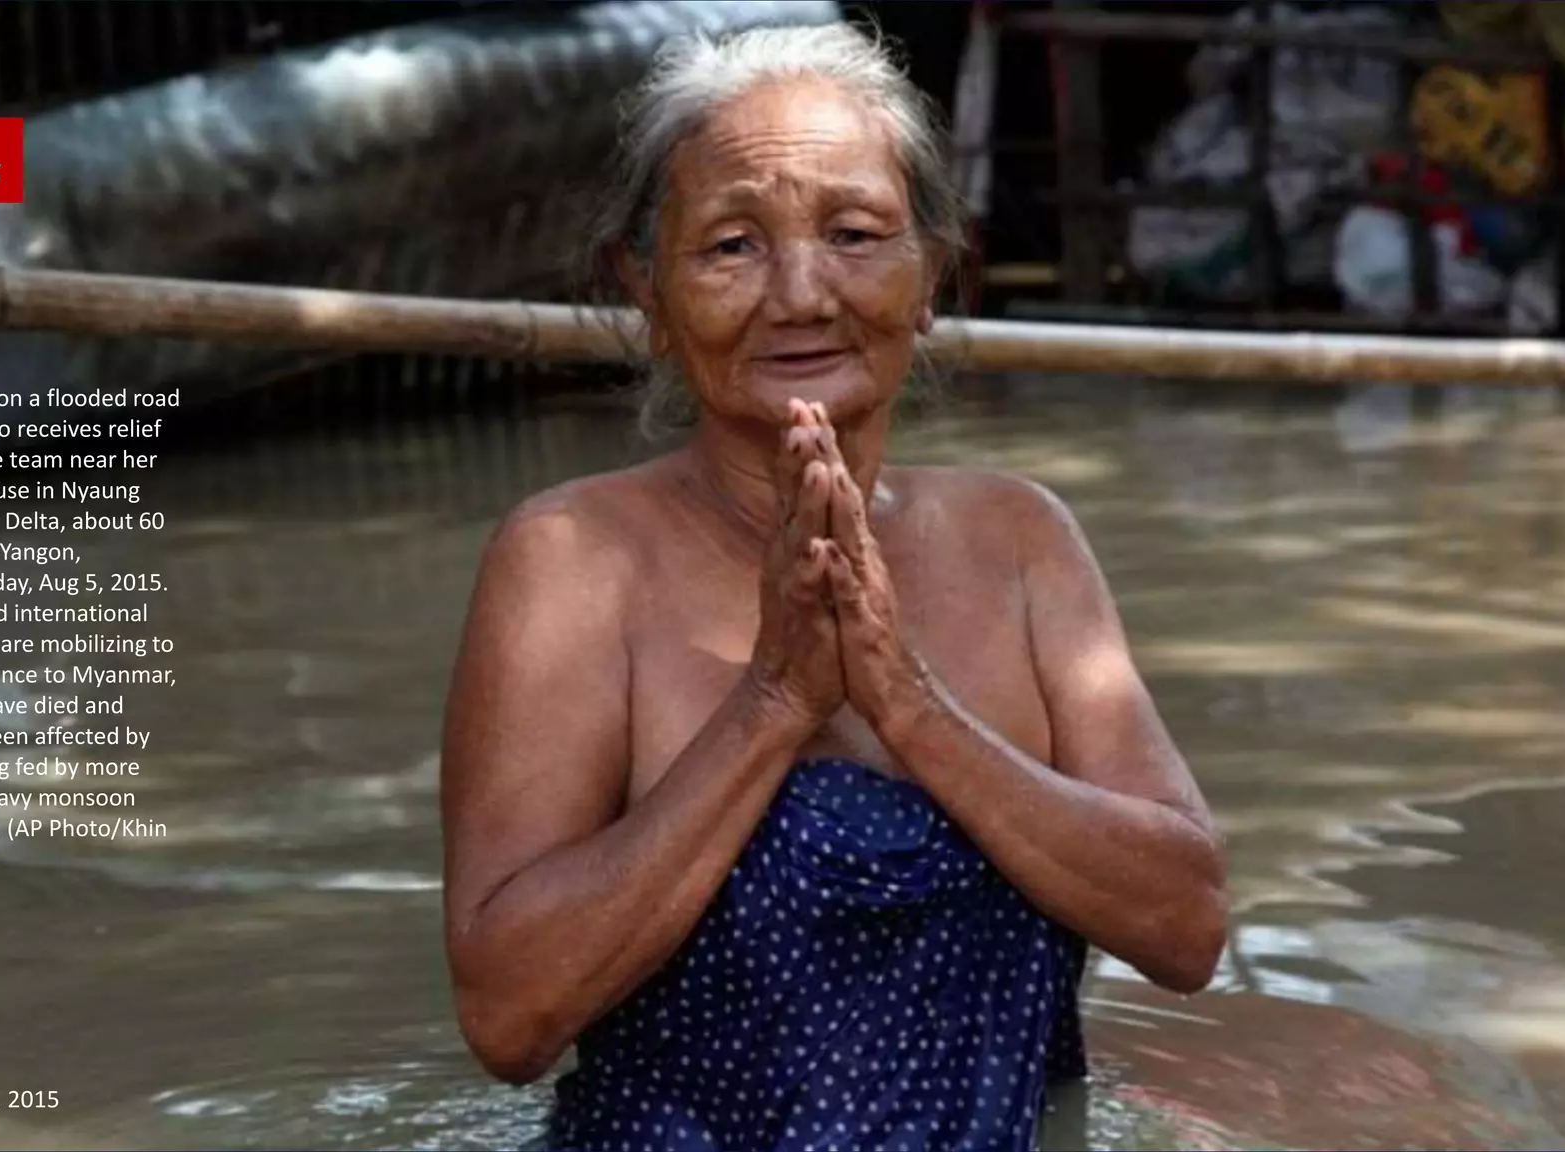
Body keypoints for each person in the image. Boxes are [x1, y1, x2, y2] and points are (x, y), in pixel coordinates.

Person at [441, 20, 1226, 1151]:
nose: (802, 294)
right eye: (729, 246)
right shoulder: (570, 560)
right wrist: (771, 704)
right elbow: (506, 1017)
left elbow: (1186, 927)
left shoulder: (1019, 540)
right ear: (646, 290)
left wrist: (905, 700)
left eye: (854, 233)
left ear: (934, 273)